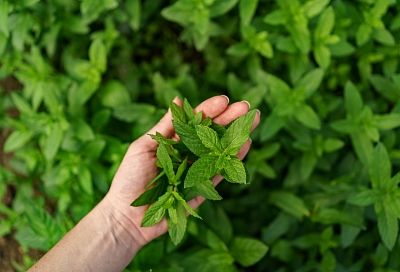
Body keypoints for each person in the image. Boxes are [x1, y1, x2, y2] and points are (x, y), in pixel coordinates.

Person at [29, 95, 261, 272]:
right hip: (197, 162)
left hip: (209, 154)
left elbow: (195, 171)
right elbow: (192, 174)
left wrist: (118, 221)